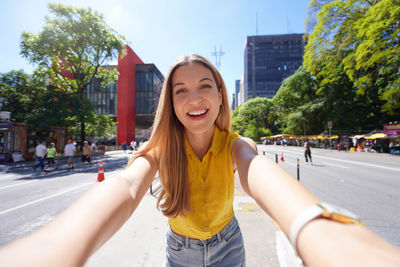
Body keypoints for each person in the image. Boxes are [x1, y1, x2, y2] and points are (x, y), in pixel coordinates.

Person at [1, 55, 399, 267]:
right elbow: (125, 185)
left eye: (205, 86)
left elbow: (261, 174)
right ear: (170, 104)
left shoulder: (236, 143)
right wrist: (59, 243)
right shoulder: (160, 148)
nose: (194, 98)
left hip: (230, 247)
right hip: (180, 252)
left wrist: (317, 227)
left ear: (222, 96)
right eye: (181, 90)